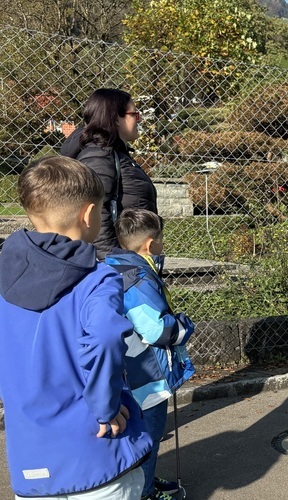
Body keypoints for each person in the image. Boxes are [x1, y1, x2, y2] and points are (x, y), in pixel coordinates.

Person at [0, 156, 152, 498]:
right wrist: (105, 407)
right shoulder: (98, 279)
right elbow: (106, 337)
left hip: (30, 460)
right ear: (89, 214)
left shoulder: (4, 278)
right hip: (96, 456)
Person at [106, 208, 196, 500]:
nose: (162, 244)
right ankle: (145, 493)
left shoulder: (116, 268)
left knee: (139, 434)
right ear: (150, 243)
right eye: (161, 239)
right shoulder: (138, 278)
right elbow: (157, 331)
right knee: (150, 435)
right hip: (147, 375)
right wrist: (183, 325)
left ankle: (144, 480)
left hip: (128, 370)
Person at [61, 88, 157, 259]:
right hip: (119, 263)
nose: (139, 120)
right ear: (116, 118)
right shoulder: (99, 155)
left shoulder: (115, 153)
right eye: (135, 114)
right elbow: (94, 213)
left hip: (132, 257)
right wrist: (115, 261)